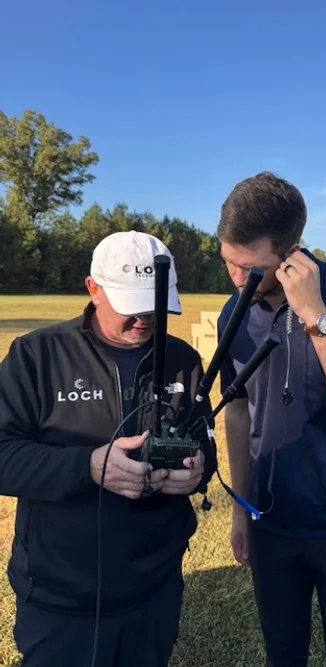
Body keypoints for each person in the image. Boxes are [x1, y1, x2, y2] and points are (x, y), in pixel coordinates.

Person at [0, 230, 215, 667]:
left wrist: (197, 471)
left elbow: (202, 442)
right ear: (93, 289)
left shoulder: (183, 359)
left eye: (154, 307)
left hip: (154, 588)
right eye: (131, 306)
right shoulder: (36, 356)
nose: (145, 320)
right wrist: (89, 466)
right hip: (60, 593)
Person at [216, 171, 326, 667]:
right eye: (228, 261)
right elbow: (237, 410)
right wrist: (241, 507)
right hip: (272, 520)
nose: (235, 279)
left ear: (292, 251)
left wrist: (315, 313)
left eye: (250, 268)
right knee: (282, 653)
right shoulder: (234, 310)